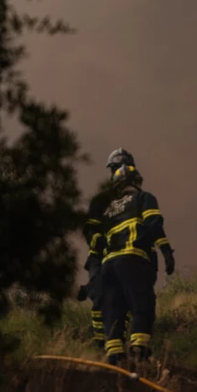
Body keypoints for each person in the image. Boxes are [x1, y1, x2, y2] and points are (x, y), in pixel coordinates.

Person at [95, 163, 175, 364]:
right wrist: (166, 252)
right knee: (143, 304)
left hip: (107, 266)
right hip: (132, 260)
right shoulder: (144, 198)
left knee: (114, 310)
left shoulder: (108, 210)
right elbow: (154, 224)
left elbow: (97, 242)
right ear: (136, 182)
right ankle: (139, 351)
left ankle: (114, 355)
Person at [78, 148, 135, 349]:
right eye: (118, 168)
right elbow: (89, 229)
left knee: (126, 299)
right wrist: (98, 241)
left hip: (123, 257)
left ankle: (119, 339)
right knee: (101, 295)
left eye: (125, 168)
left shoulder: (137, 200)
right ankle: (99, 341)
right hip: (100, 257)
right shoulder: (101, 201)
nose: (122, 172)